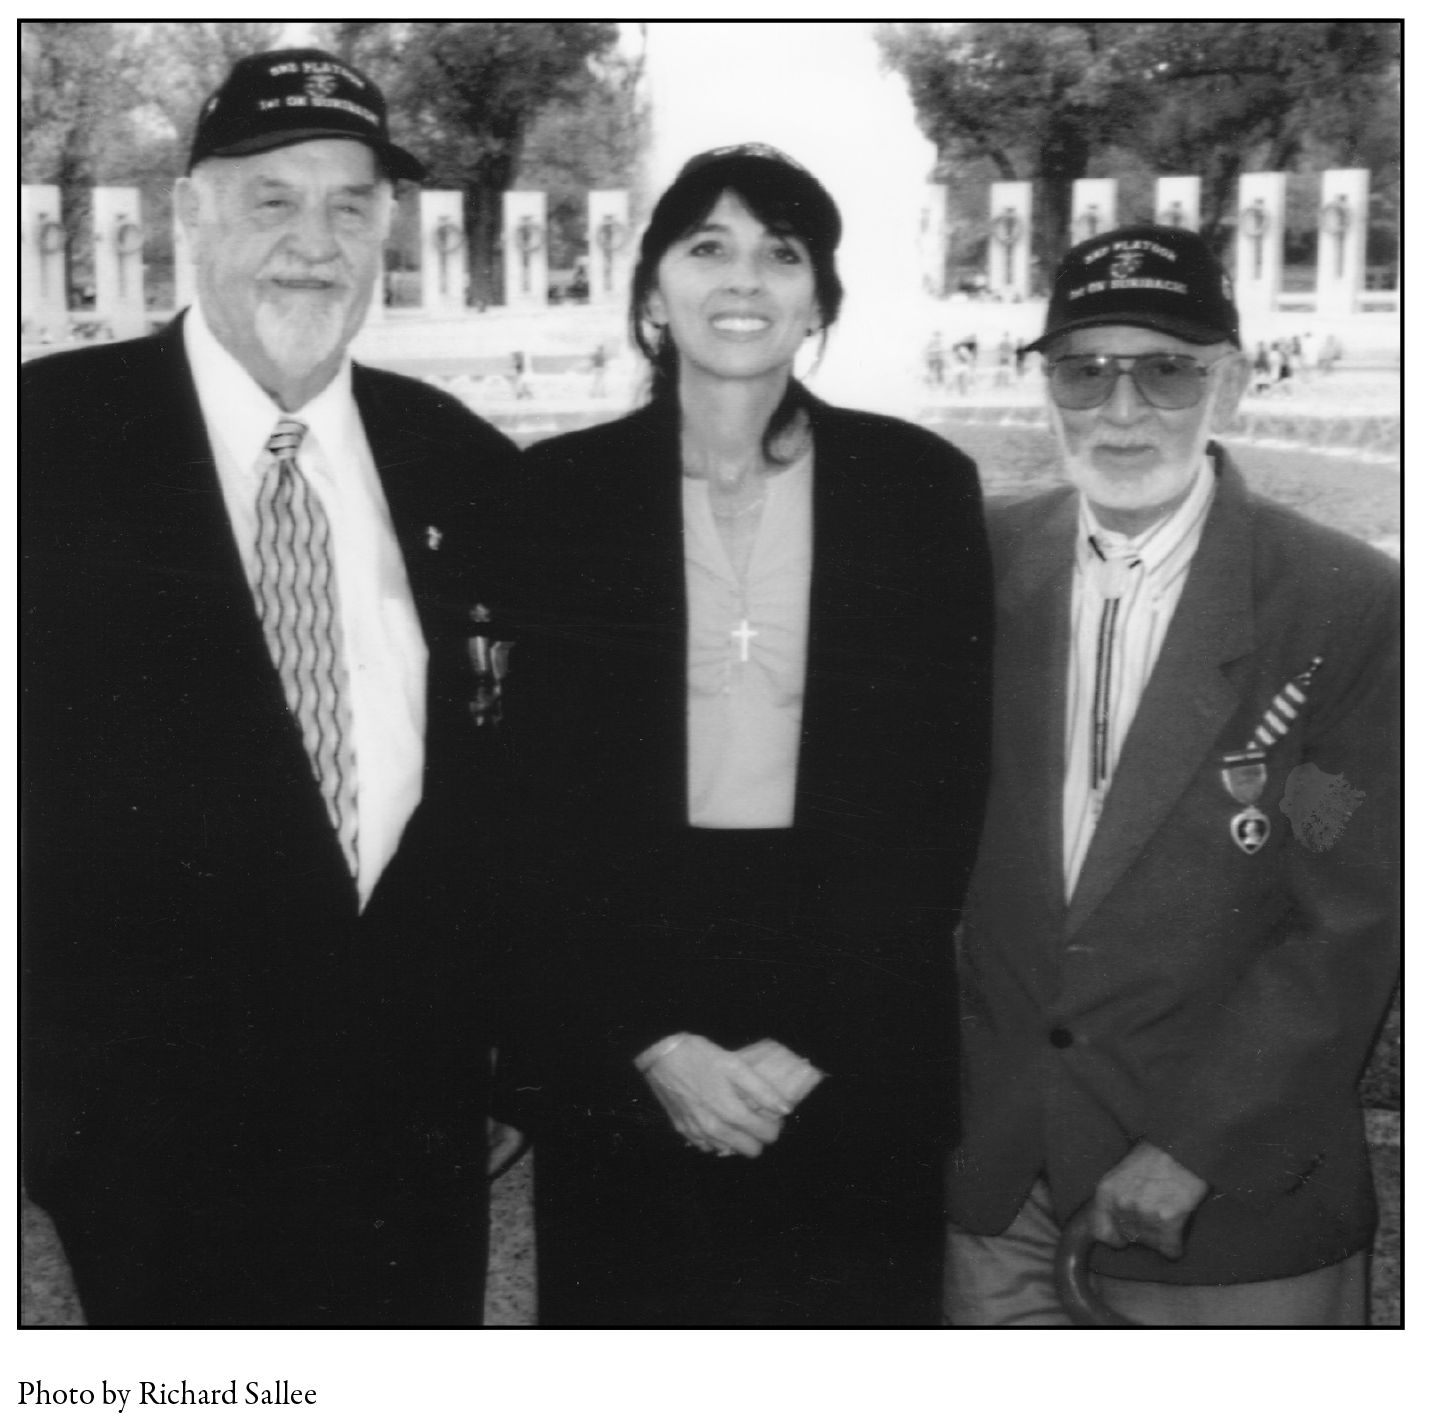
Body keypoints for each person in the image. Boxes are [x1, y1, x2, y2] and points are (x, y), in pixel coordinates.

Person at [21, 48, 522, 1326]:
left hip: (409, 1140)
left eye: (350, 205)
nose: (315, 243)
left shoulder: (461, 463)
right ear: (191, 211)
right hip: (149, 1155)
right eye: (272, 200)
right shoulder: (46, 449)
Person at [510, 144, 992, 1326]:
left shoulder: (916, 485)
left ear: (819, 295)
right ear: (651, 288)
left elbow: (945, 788)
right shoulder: (554, 496)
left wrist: (820, 1035)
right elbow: (527, 805)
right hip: (630, 989)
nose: (746, 279)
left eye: (782, 253)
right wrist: (646, 1037)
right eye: (707, 246)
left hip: (851, 993)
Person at [943, 225, 1399, 1326]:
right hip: (1001, 1196)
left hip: (1226, 1209)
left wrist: (1194, 1146)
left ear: (1229, 386)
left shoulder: (1341, 604)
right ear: (1044, 387)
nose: (1120, 409)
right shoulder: (972, 564)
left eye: (1165, 368)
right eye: (1082, 371)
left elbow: (1348, 917)